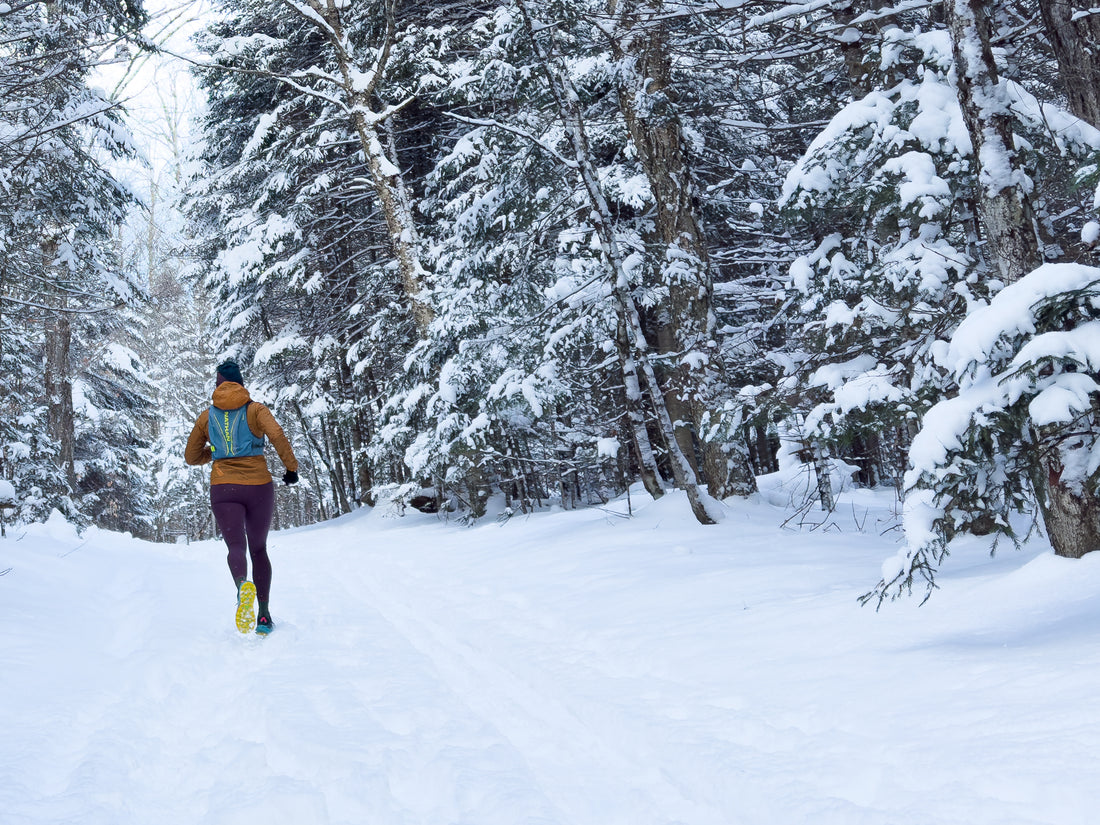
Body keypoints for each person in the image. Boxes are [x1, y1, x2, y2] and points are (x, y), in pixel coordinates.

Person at [185, 358, 299, 634]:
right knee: (258, 549)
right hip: (259, 484)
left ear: (219, 383)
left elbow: (191, 456)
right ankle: (263, 615)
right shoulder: (255, 409)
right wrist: (291, 468)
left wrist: (214, 453)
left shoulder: (207, 416)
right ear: (240, 382)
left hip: (223, 487)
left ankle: (241, 586)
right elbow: (277, 435)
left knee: (236, 547)